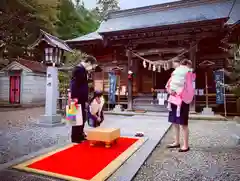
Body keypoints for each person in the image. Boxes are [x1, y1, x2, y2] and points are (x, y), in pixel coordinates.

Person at [165, 59, 195, 152]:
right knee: (174, 122)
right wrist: (170, 91)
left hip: (182, 100)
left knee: (183, 124)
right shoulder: (174, 74)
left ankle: (185, 145)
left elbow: (190, 88)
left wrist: (180, 92)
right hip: (174, 100)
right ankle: (176, 142)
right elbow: (167, 86)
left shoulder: (189, 74)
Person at [70, 56, 96, 143]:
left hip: (78, 98)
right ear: (88, 62)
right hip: (76, 98)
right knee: (76, 119)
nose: (92, 68)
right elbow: (75, 86)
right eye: (92, 66)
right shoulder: (78, 69)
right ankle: (76, 137)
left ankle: (80, 135)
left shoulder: (82, 70)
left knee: (82, 118)